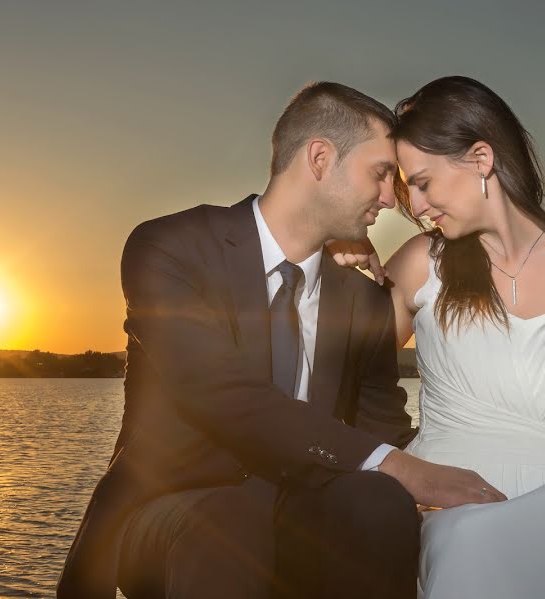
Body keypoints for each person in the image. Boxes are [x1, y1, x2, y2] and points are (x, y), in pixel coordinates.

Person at [56, 82, 510, 599]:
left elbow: (382, 427)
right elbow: (221, 395)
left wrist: (475, 479)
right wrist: (399, 465)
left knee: (378, 502)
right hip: (177, 510)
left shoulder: (362, 300)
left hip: (302, 508)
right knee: (230, 524)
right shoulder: (172, 248)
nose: (391, 198)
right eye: (381, 174)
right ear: (320, 158)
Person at [332, 75, 545, 598]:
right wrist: (338, 280)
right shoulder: (423, 264)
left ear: (481, 158)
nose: (416, 206)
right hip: (450, 510)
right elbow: (339, 387)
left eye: (423, 182)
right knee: (471, 538)